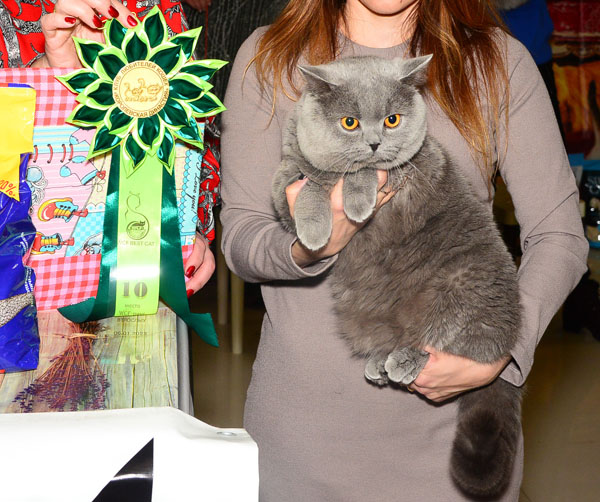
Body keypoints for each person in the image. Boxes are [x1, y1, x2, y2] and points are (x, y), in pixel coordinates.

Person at [219, 0, 589, 500]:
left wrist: (502, 353)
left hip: (449, 447)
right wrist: (310, 248)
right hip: (304, 442)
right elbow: (241, 234)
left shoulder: (495, 62)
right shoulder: (273, 59)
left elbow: (559, 235)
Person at [0, 0, 215, 295]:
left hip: (132, 281)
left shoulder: (149, 8)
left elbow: (192, 152)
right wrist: (47, 79)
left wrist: (180, 228)